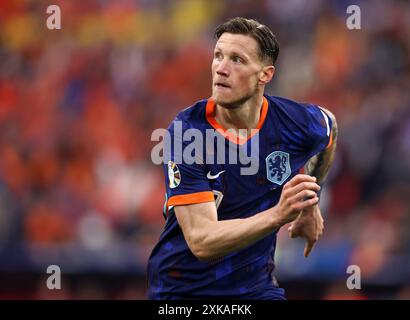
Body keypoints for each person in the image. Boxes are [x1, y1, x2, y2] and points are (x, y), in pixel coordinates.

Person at [147, 17, 338, 300]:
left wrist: (310, 200)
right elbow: (201, 240)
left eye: (237, 60)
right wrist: (278, 215)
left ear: (265, 74)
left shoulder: (294, 122)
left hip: (255, 289)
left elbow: (329, 128)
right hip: (184, 292)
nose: (221, 68)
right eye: (218, 56)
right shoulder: (187, 133)